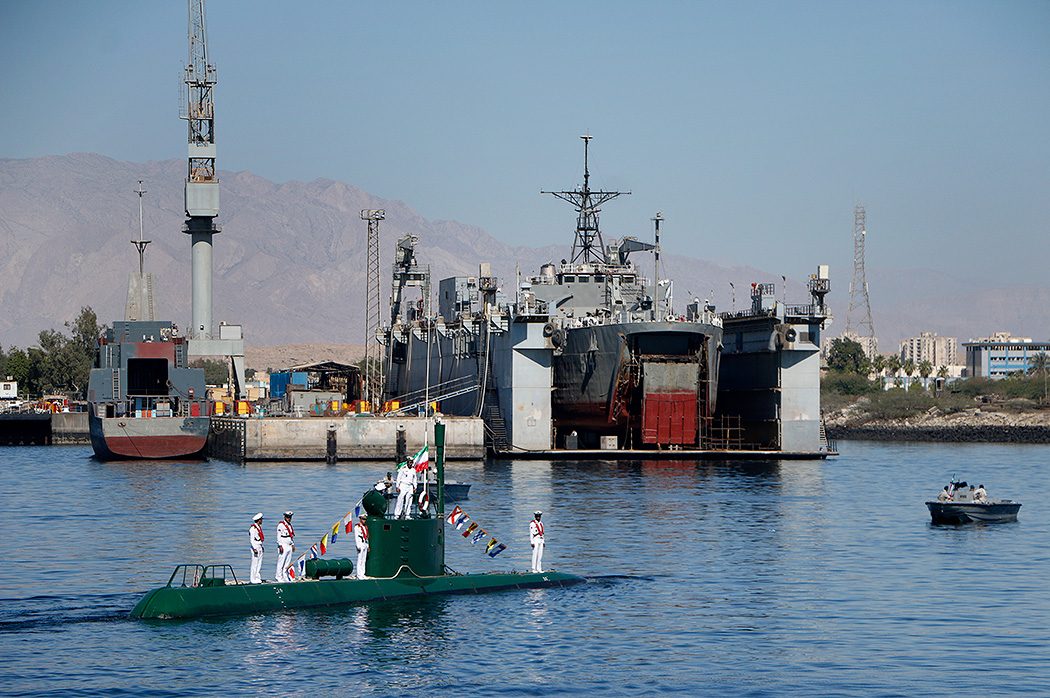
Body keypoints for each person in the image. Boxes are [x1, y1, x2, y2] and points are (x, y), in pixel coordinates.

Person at [275, 511, 295, 582]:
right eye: (287, 517)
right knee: (281, 561)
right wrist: (280, 545)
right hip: (283, 545)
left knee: (287, 562)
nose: (289, 519)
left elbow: (290, 536)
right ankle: (278, 576)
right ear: (285, 517)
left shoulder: (289, 525)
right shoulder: (281, 525)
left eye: (290, 517)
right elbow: (278, 536)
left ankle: (285, 575)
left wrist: (292, 544)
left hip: (289, 545)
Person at [249, 513, 265, 584]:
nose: (262, 521)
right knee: (255, 563)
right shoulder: (253, 529)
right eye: (261, 519)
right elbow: (252, 540)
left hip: (259, 546)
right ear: (259, 520)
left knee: (259, 564)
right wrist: (255, 548)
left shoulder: (258, 528)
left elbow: (259, 539)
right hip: (255, 546)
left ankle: (257, 577)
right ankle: (253, 578)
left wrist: (261, 546)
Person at [354, 513, 370, 579]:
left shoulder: (365, 527)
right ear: (360, 519)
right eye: (363, 519)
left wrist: (368, 545)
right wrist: (358, 546)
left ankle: (363, 574)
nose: (364, 521)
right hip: (360, 544)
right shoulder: (357, 527)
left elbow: (366, 537)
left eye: (365, 519)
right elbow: (356, 537)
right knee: (360, 560)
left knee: (364, 560)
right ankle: (359, 574)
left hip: (365, 544)